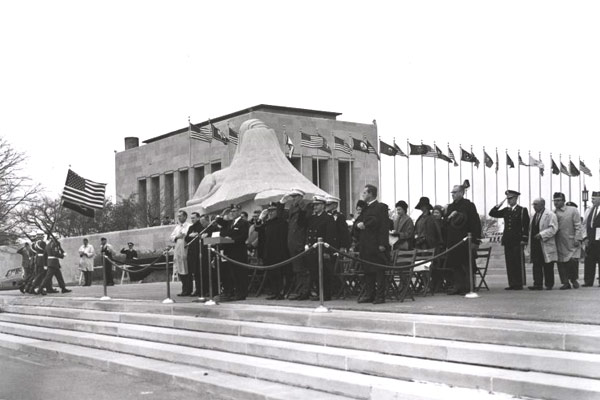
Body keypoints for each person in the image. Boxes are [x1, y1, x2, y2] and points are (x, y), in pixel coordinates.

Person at [489, 190, 530, 290]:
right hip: (508, 239)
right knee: (510, 262)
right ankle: (512, 283)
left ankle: (518, 283)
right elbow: (492, 213)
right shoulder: (506, 210)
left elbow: (525, 225)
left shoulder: (522, 210)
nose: (509, 201)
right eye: (508, 199)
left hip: (517, 239)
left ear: (516, 198)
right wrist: (499, 204)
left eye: (511, 198)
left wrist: (524, 239)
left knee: (517, 261)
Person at [445, 183, 482, 295]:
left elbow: (475, 223)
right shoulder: (450, 207)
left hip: (466, 239)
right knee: (455, 264)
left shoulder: (468, 205)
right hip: (453, 241)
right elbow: (446, 224)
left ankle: (469, 286)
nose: (453, 195)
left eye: (455, 192)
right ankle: (458, 286)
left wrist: (475, 240)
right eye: (452, 192)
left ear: (462, 193)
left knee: (466, 264)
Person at [356, 184, 390, 304]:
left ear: (371, 194)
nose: (363, 195)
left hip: (376, 244)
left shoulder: (380, 207)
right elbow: (358, 220)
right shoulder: (365, 208)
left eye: (365, 193)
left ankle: (380, 296)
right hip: (366, 244)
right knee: (368, 270)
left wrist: (382, 244)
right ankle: (370, 294)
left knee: (378, 271)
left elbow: (383, 226)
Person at [255, 202, 290, 300]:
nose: (270, 213)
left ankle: (281, 292)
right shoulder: (268, 222)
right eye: (269, 211)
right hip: (268, 252)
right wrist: (260, 218)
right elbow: (258, 228)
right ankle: (274, 291)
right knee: (271, 273)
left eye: (272, 211)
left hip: (279, 252)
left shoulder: (282, 223)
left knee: (280, 273)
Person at [304, 196, 336, 301]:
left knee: (324, 273)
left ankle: (326, 294)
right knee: (315, 272)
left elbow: (330, 235)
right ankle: (319, 292)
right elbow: (304, 226)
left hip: (323, 249)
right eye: (314, 205)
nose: (315, 207)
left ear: (323, 205)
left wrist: (327, 251)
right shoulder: (312, 218)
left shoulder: (328, 218)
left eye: (317, 205)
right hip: (313, 249)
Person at [281, 188, 310, 300]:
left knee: (302, 269)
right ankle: (299, 290)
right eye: (292, 197)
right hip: (292, 241)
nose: (293, 199)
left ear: (300, 197)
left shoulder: (305, 207)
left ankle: (303, 291)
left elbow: (303, 223)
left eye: (295, 196)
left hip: (299, 241)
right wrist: (281, 203)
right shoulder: (293, 208)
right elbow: (282, 217)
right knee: (296, 268)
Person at [217, 204, 250, 300]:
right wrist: (223, 213)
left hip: (239, 250)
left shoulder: (243, 223)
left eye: (235, 211)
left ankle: (242, 293)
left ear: (239, 212)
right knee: (232, 273)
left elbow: (243, 236)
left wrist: (232, 239)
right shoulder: (230, 223)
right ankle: (234, 292)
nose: (232, 213)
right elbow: (219, 221)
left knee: (240, 273)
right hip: (230, 251)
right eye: (231, 211)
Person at [553, 192, 583, 290]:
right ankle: (565, 282)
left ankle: (574, 279)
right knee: (561, 262)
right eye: (555, 201)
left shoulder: (573, 210)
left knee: (572, 261)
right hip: (559, 242)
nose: (556, 203)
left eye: (558, 200)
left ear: (563, 201)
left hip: (571, 241)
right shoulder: (553, 213)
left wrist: (577, 238)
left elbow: (578, 225)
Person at [528, 198, 558, 290]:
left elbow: (553, 228)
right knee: (536, 264)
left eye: (536, 204)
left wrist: (542, 234)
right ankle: (537, 284)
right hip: (535, 244)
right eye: (533, 204)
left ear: (542, 205)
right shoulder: (534, 216)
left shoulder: (550, 215)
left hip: (545, 242)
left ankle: (549, 284)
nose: (534, 206)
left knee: (547, 264)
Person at [170, 210, 191, 296]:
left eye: (181, 216)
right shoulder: (177, 227)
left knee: (186, 270)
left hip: (185, 250)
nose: (179, 218)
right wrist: (176, 236)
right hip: (178, 250)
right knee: (180, 270)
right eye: (178, 216)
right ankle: (184, 289)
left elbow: (188, 236)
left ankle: (188, 289)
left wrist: (183, 235)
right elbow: (171, 237)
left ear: (185, 217)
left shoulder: (189, 226)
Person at [583, 191, 600, 287]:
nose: (591, 200)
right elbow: (584, 225)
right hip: (590, 240)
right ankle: (588, 281)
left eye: (594, 199)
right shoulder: (589, 210)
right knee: (589, 260)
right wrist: (585, 237)